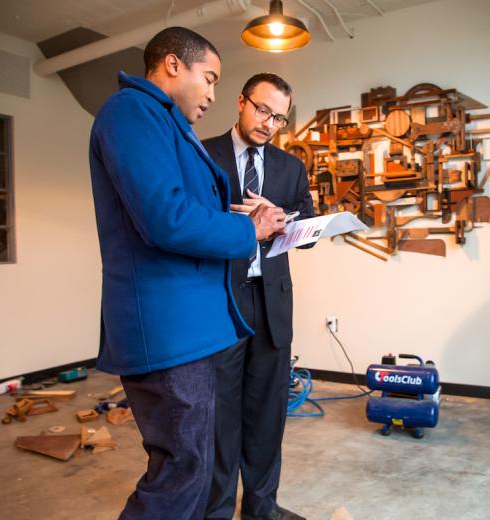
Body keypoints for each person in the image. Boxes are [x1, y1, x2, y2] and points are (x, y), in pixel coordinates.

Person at [88, 28, 287, 519]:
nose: (212, 94)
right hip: (167, 329)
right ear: (174, 65)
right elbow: (166, 217)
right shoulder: (131, 112)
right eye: (210, 78)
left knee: (191, 470)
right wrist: (249, 231)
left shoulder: (165, 122)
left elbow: (185, 211)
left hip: (192, 328)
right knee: (181, 472)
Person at [203, 74, 314, 520]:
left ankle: (262, 509)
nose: (269, 123)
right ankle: (216, 511)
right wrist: (240, 224)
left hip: (272, 303)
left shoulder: (290, 167)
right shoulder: (203, 154)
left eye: (280, 118)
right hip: (220, 301)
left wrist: (282, 219)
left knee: (268, 414)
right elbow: (188, 221)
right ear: (241, 102)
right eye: (263, 110)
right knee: (220, 417)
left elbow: (306, 230)